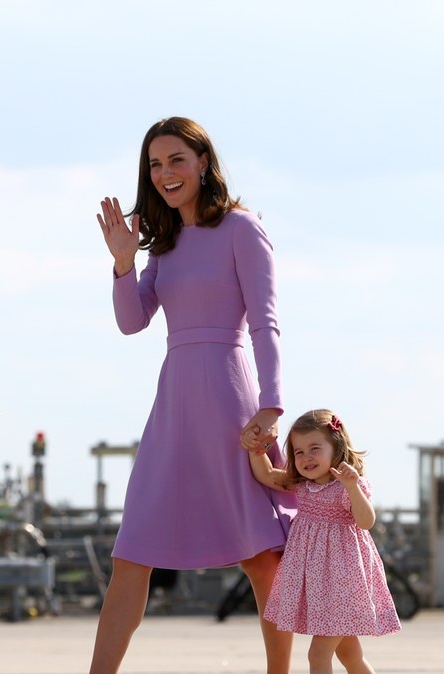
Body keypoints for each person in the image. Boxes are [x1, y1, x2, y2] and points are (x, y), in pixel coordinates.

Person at [93, 116, 299, 674]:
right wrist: (122, 262)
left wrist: (272, 407)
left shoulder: (242, 227)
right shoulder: (164, 244)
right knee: (132, 553)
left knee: (262, 556)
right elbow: (132, 322)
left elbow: (266, 323)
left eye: (176, 160)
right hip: (173, 406)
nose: (165, 174)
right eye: (155, 165)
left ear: (203, 162)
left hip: (232, 400)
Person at [248, 409, 401, 674]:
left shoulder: (346, 486)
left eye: (315, 448)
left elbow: (366, 521)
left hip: (344, 585)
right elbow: (269, 475)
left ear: (336, 448)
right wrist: (256, 450)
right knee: (351, 656)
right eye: (299, 452)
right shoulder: (302, 486)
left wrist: (353, 487)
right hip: (321, 588)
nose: (306, 458)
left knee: (317, 655)